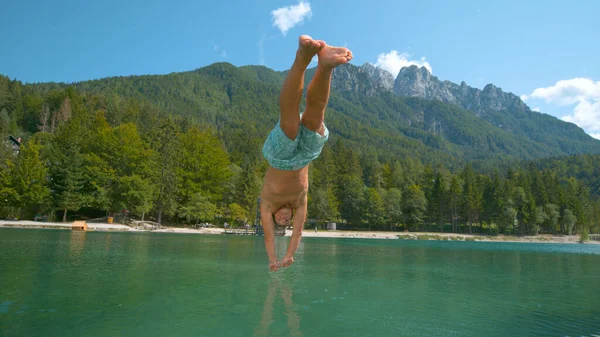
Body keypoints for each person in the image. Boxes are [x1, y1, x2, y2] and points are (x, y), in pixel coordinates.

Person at [260, 35, 353, 272]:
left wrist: (272, 259)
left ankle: (302, 58)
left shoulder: (268, 205)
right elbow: (298, 232)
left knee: (289, 119)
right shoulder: (300, 203)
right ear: (291, 215)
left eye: (278, 222)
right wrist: (289, 256)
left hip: (279, 158)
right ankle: (325, 66)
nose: (282, 220)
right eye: (286, 221)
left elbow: (270, 238)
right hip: (305, 157)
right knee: (315, 116)